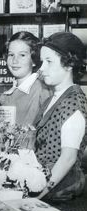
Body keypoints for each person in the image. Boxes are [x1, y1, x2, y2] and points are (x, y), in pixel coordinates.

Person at [34, 32, 87, 201]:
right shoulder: (53, 98)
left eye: (49, 61)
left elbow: (68, 158)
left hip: (60, 194)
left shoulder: (73, 103)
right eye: (42, 62)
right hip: (46, 190)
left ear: (69, 64)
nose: (41, 68)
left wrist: (36, 196)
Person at [0, 31, 51, 126]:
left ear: (34, 60)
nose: (15, 60)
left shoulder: (41, 90)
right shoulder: (9, 93)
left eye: (22, 55)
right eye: (11, 55)